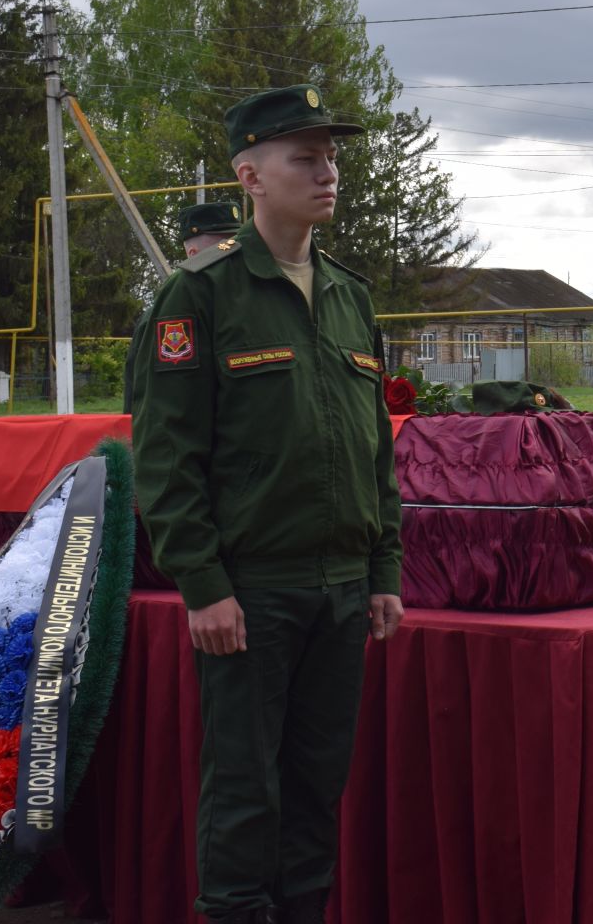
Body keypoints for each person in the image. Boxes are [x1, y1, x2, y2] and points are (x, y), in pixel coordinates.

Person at [131, 86, 402, 924]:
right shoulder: (201, 294)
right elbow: (167, 456)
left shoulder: (351, 295)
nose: (327, 172)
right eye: (305, 157)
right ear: (249, 173)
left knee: (318, 787)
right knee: (246, 790)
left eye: (331, 157)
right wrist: (204, 583)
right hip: (252, 588)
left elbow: (375, 448)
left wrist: (383, 568)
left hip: (344, 587)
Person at [122, 199, 243, 414]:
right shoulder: (167, 315)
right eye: (223, 248)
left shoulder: (251, 305)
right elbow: (155, 406)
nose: (235, 255)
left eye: (236, 246)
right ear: (193, 255)